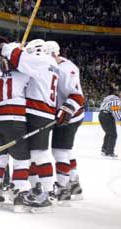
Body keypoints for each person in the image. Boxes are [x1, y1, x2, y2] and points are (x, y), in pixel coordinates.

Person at [0, 41, 51, 212]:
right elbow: (36, 73)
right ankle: (20, 194)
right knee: (21, 160)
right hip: (15, 119)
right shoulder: (21, 69)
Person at [0, 38, 61, 203]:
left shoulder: (41, 61)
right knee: (32, 154)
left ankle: (48, 192)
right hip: (43, 112)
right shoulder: (51, 63)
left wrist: (5, 46)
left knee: (39, 154)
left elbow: (18, 57)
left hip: (37, 112)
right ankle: (38, 188)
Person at [45, 41, 85, 202]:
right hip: (69, 113)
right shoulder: (62, 66)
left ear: (53, 54)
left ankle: (63, 190)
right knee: (66, 151)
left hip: (70, 115)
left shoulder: (66, 69)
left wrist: (66, 110)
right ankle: (74, 184)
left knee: (59, 151)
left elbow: (75, 95)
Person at [99, 90, 121, 158]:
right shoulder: (116, 100)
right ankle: (109, 152)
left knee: (108, 133)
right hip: (107, 116)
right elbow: (115, 111)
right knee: (113, 135)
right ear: (119, 95)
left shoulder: (108, 97)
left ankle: (104, 150)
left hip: (101, 114)